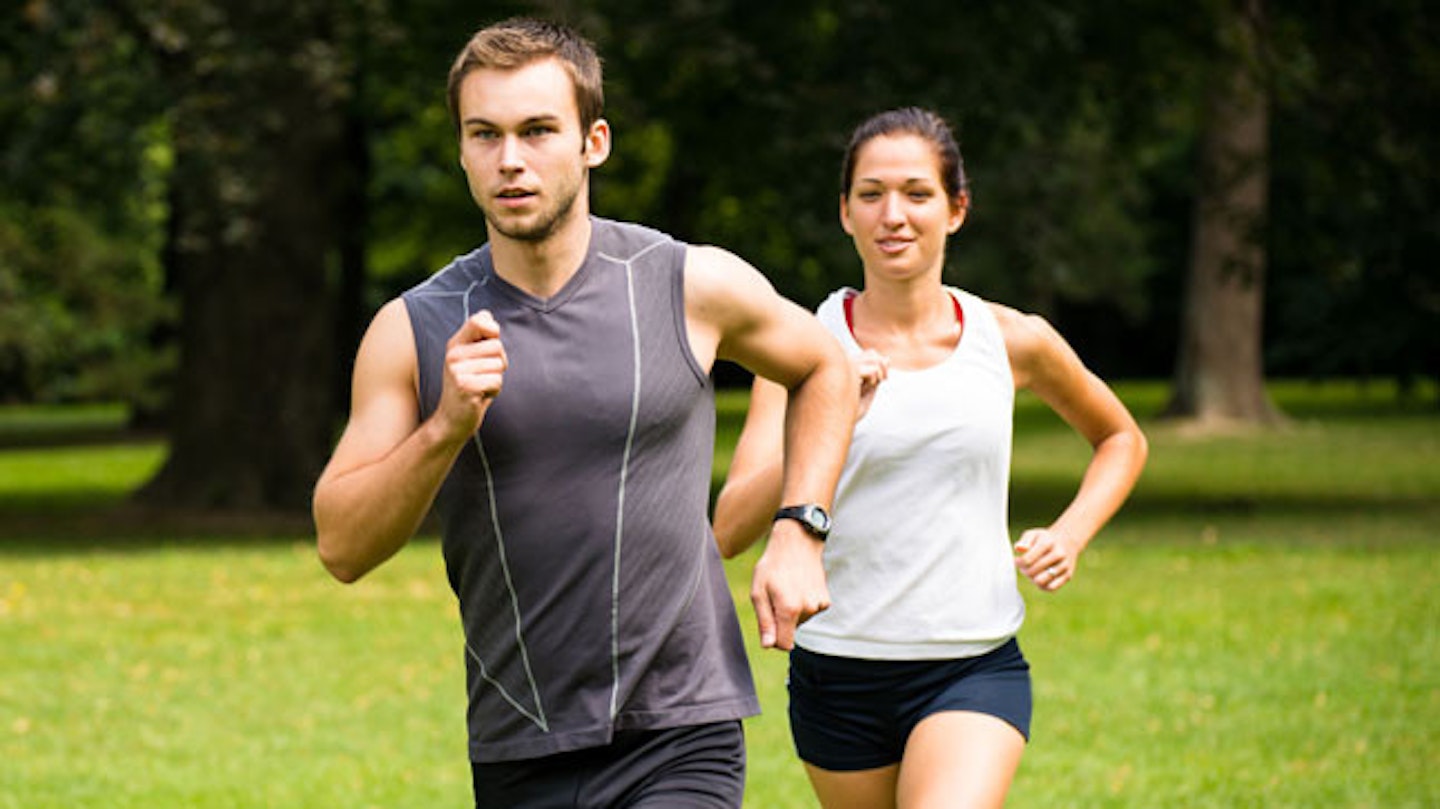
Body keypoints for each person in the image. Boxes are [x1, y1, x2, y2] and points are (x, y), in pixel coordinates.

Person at [312, 18, 856, 809]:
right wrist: (444, 428)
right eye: (485, 134)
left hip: (681, 729)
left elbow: (825, 365)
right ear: (461, 150)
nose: (511, 160)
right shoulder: (414, 329)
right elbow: (341, 545)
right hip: (520, 741)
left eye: (537, 131)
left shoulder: (688, 284)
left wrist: (799, 528)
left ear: (593, 141)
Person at [713, 107, 1149, 809]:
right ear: (845, 212)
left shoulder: (1011, 339)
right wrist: (835, 417)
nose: (894, 214)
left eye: (918, 193)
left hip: (972, 664)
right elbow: (731, 527)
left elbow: (1121, 438)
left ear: (957, 209)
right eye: (871, 193)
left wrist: (1070, 533)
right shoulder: (798, 348)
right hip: (837, 671)